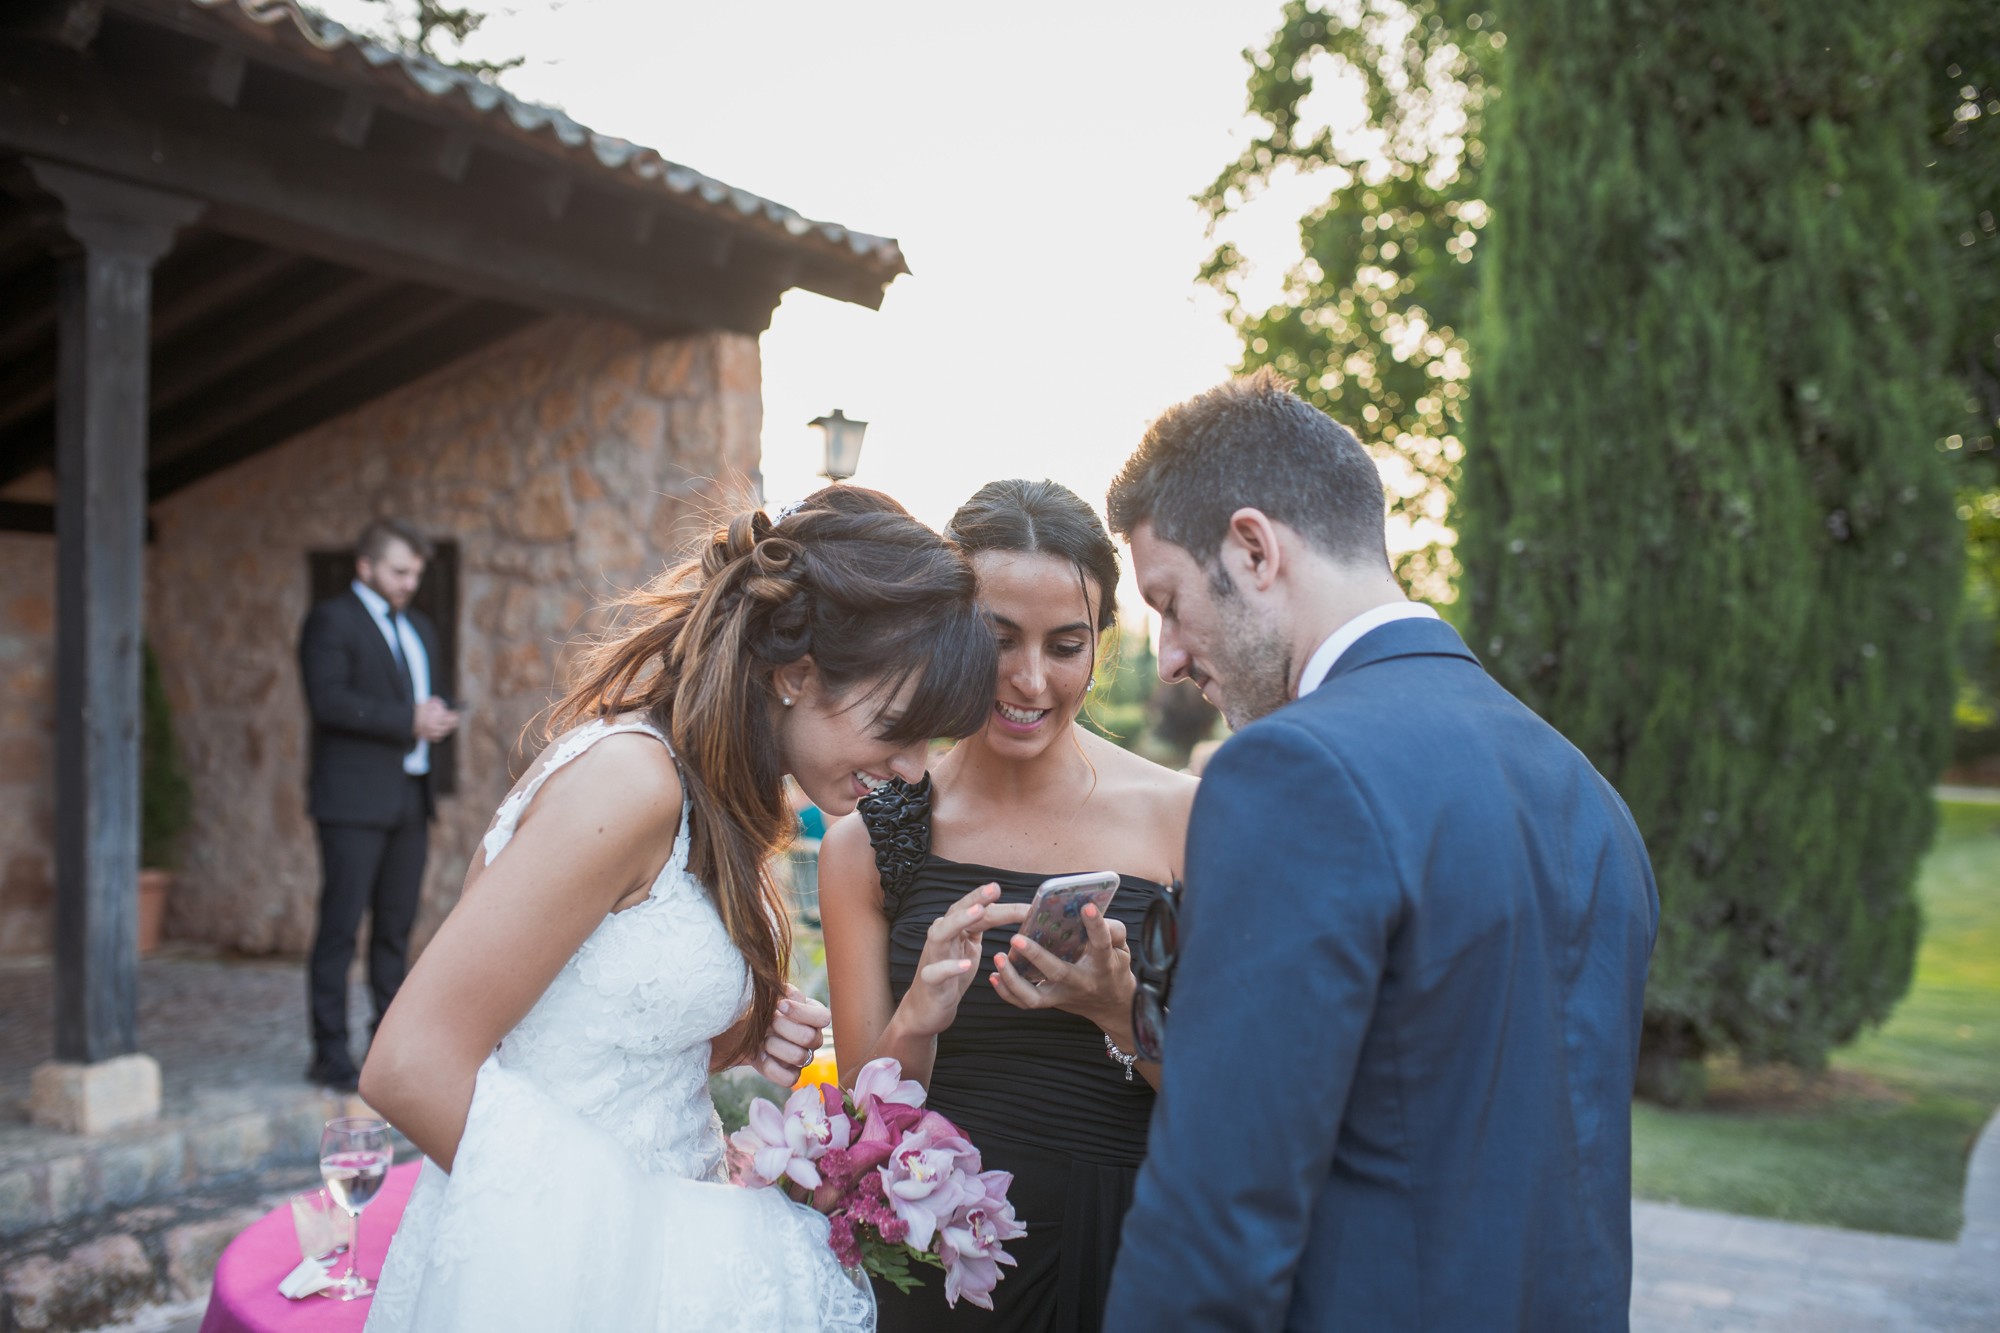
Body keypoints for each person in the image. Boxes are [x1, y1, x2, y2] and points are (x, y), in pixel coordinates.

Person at [358, 491, 999, 1331]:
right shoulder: (629, 782)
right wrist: (664, 1258)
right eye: (896, 727)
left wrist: (724, 1042)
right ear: (795, 673)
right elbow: (410, 1066)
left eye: (932, 742)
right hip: (558, 1286)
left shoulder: (716, 798)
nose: (915, 770)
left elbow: (572, 1045)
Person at [1099, 371, 1660, 1332]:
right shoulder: (1586, 792)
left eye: (1170, 600)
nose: (1173, 653)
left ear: (1252, 547)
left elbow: (1218, 1210)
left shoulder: (1293, 771)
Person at [820, 478, 1197, 1332]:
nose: (1030, 680)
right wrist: (916, 1018)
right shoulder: (866, 842)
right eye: (998, 640)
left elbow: (1235, 1104)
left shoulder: (1184, 817)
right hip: (940, 1269)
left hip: (1127, 1252)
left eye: (1066, 644)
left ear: (1101, 642)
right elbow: (859, 1129)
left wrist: (1117, 1008)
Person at [298, 518, 461, 1092]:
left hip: (408, 799)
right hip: (351, 800)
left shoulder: (419, 627)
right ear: (364, 567)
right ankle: (329, 1054)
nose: (409, 583)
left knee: (396, 930)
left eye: (416, 573)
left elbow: (419, 699)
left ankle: (386, 1051)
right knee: (340, 929)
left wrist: (438, 717)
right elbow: (329, 701)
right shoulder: (331, 620)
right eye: (398, 571)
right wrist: (408, 720)